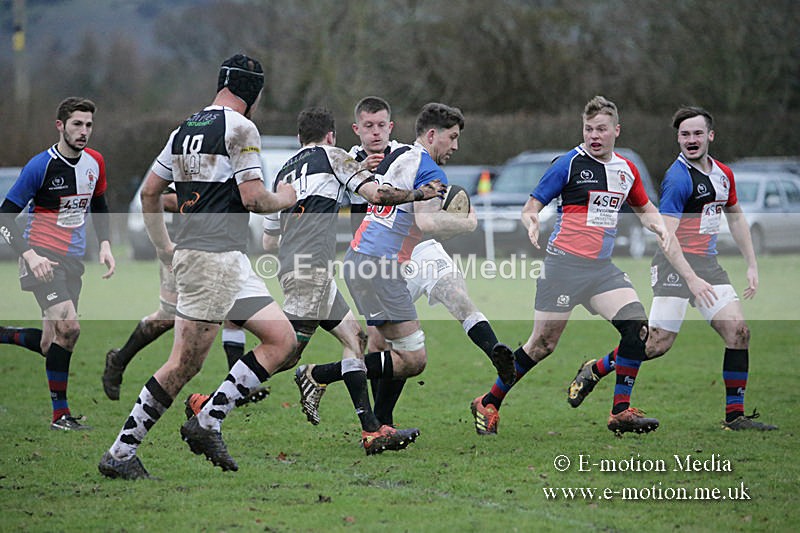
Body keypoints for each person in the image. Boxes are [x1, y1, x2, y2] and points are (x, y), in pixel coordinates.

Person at [98, 53, 298, 480]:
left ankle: (207, 421)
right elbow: (254, 198)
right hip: (211, 261)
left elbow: (151, 193)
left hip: (226, 260)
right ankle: (119, 453)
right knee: (183, 365)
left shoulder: (185, 128)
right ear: (253, 93)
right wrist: (287, 199)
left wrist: (163, 246)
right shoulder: (242, 128)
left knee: (282, 340)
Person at [211, 106, 440, 455]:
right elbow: (377, 196)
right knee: (282, 352)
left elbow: (269, 240)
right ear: (332, 135)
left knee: (355, 337)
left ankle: (371, 430)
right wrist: (421, 194)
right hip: (311, 269)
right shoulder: (332, 156)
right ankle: (210, 404)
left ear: (299, 137)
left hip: (302, 267)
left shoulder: (285, 170)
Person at [297, 97, 513, 429]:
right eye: (451, 137)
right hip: (382, 265)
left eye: (381, 124)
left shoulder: (394, 157)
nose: (455, 145)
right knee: (413, 359)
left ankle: (380, 422)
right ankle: (319, 373)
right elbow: (426, 223)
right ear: (430, 135)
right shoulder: (422, 165)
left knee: (388, 347)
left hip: (361, 262)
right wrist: (466, 223)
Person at [566, 106, 777, 431]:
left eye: (696, 133)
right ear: (678, 139)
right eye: (684, 135)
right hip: (673, 267)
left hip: (707, 266)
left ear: (710, 136)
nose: (691, 140)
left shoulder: (723, 174)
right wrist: (690, 279)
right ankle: (596, 368)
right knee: (656, 344)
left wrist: (752, 264)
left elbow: (735, 218)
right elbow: (667, 238)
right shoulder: (678, 179)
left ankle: (735, 417)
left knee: (739, 332)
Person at [470, 95, 670, 437]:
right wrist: (531, 222)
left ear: (616, 131)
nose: (594, 135)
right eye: (588, 128)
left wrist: (661, 227)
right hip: (562, 268)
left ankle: (620, 411)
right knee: (541, 345)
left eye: (601, 129)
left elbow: (644, 206)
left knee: (636, 328)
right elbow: (532, 205)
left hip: (601, 270)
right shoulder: (569, 163)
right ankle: (489, 401)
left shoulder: (626, 170)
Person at [0, 97, 115, 431]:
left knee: (51, 343)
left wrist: (105, 244)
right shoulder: (41, 166)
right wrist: (30, 255)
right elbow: (6, 217)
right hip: (42, 258)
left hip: (73, 261)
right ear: (60, 126)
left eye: (89, 125)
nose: (84, 132)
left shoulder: (95, 162)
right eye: (77, 124)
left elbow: (100, 204)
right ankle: (60, 416)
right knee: (70, 327)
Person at [101, 187, 268, 405]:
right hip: (183, 251)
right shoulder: (187, 158)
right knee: (167, 316)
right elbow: (159, 198)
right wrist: (207, 199)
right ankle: (119, 359)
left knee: (232, 314)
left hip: (223, 251)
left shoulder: (233, 163)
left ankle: (239, 387)